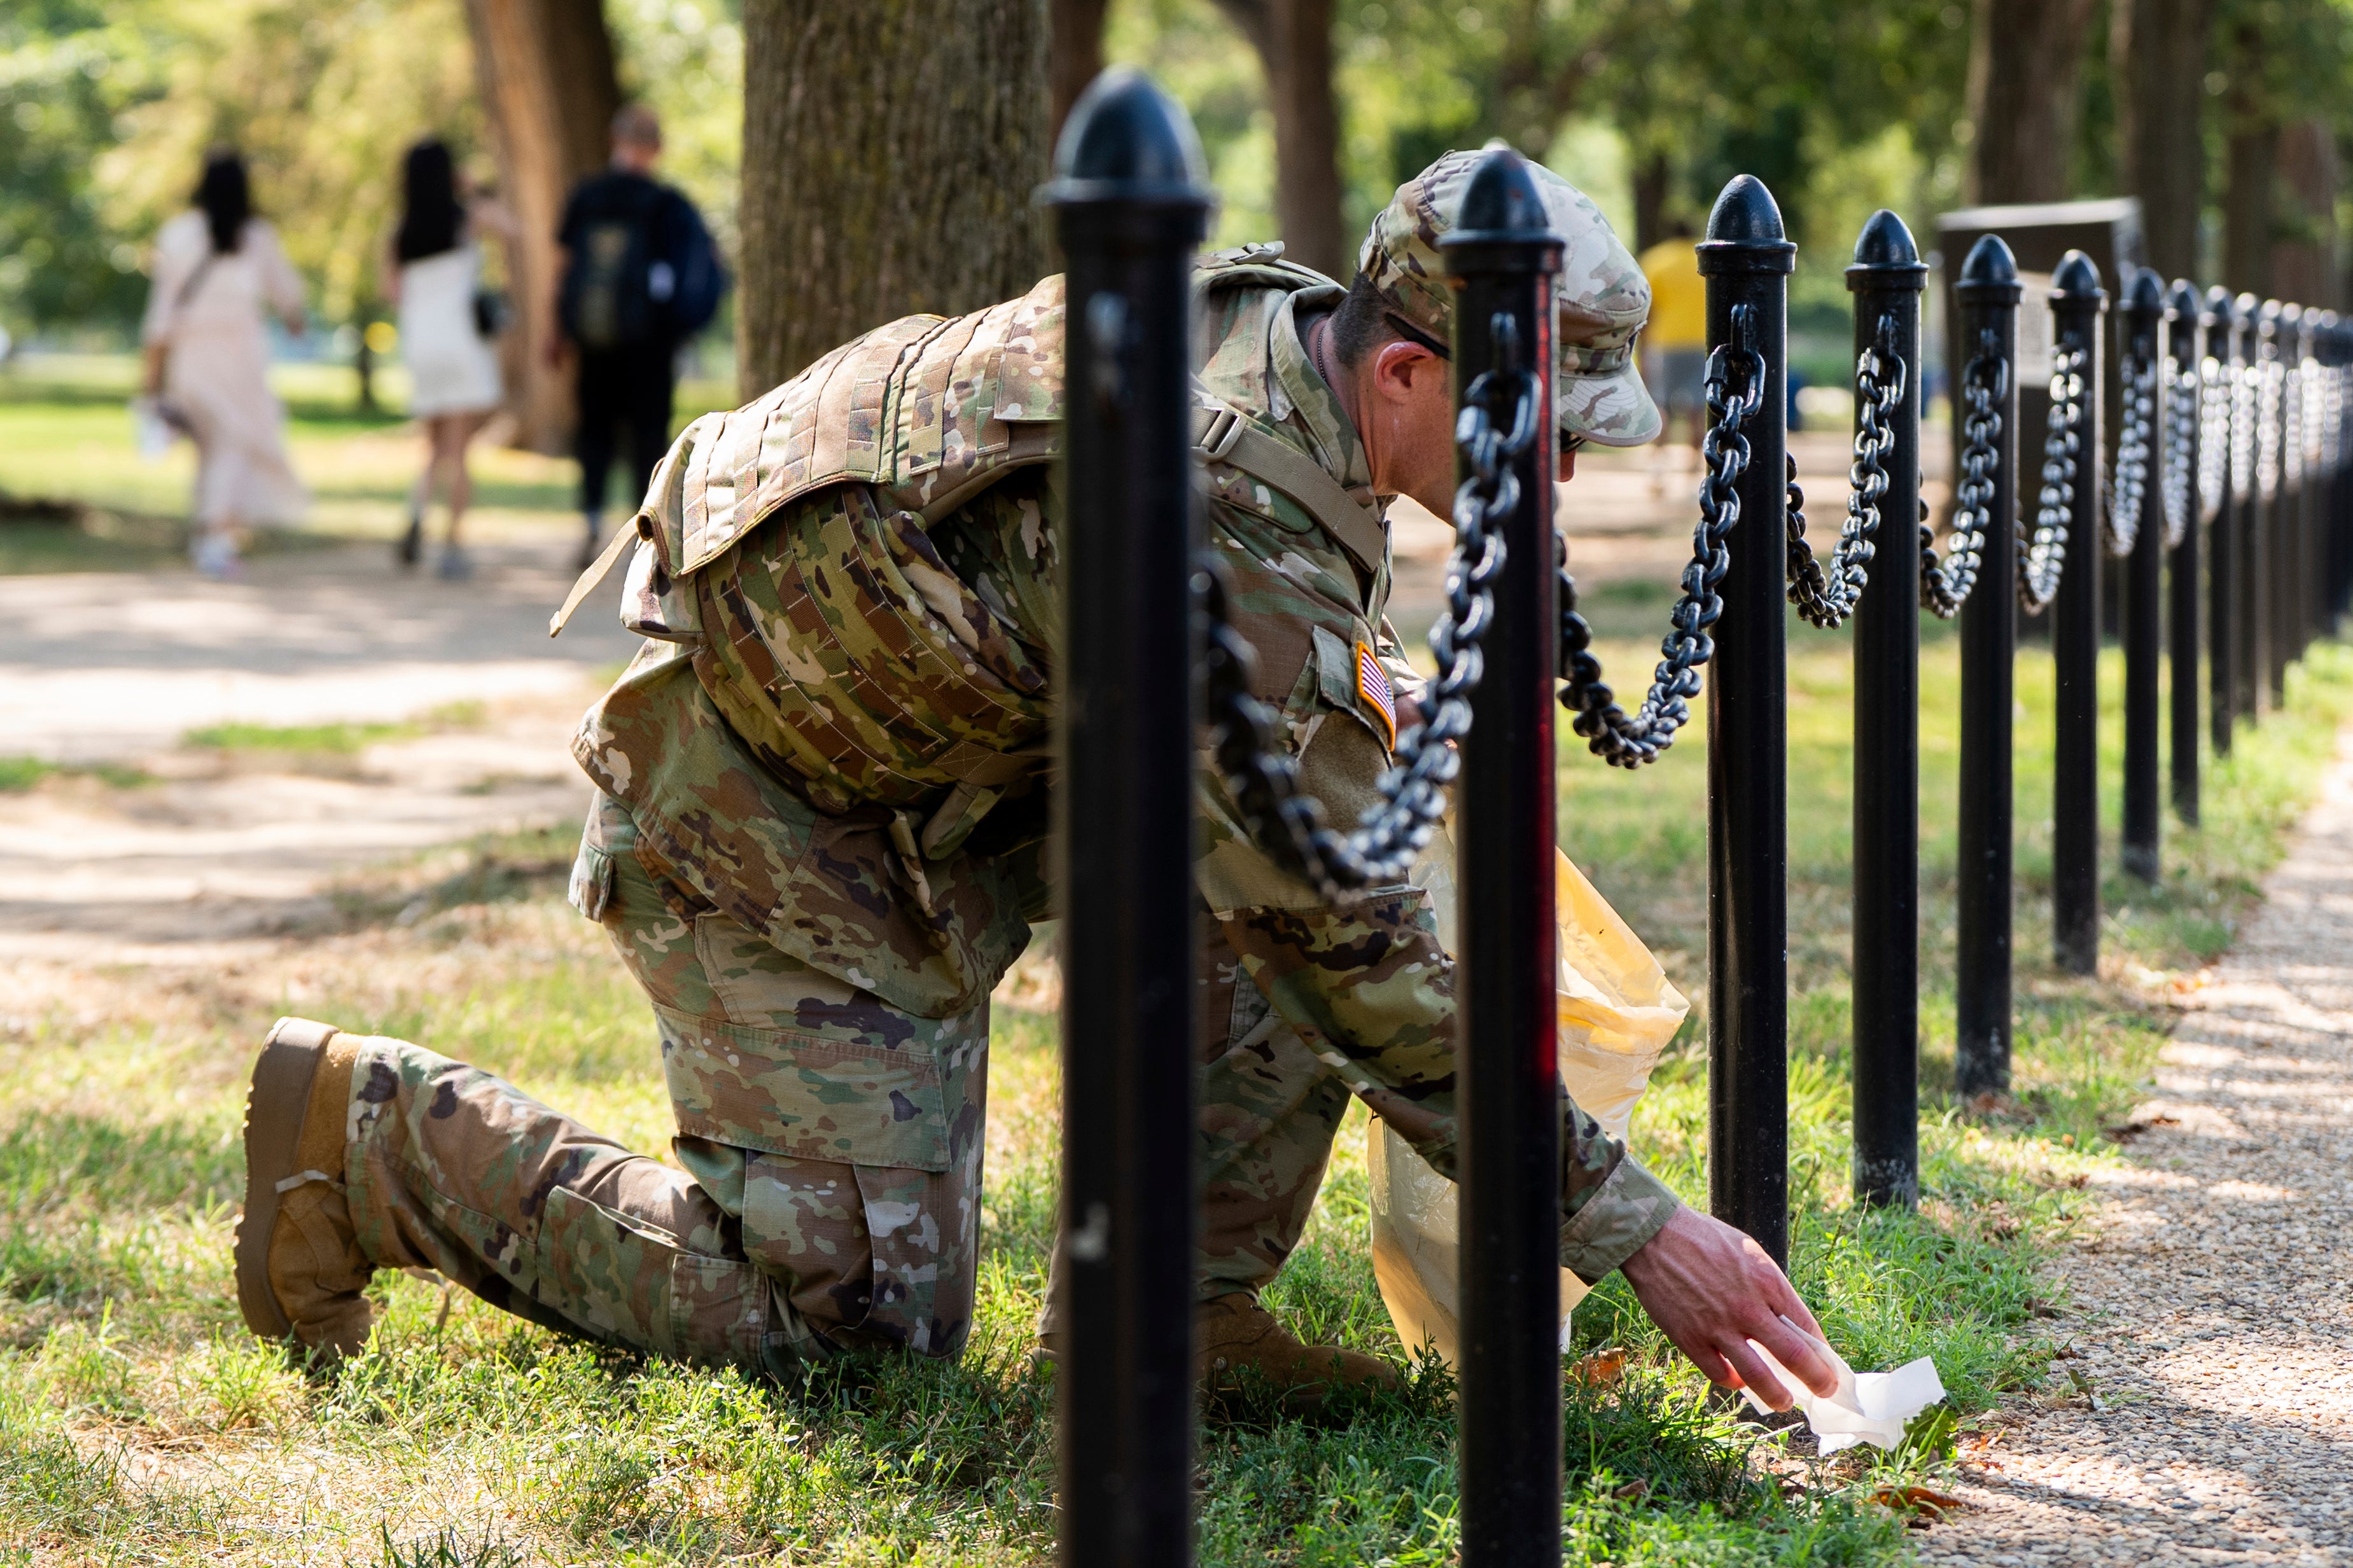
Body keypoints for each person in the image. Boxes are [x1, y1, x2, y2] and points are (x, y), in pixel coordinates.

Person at [234, 151, 1840, 1416]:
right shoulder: (1222, 498)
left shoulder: (1300, 341)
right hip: (779, 809)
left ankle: (1170, 1312)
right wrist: (1640, 1227)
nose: (1566, 470)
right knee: (849, 1323)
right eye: (1552, 425)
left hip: (971, 773)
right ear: (1412, 374)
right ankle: (376, 1137)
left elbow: (1289, 824)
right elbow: (1333, 939)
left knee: (1327, 833)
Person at [552, 103, 723, 570]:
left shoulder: (585, 197)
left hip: (594, 338)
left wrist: (557, 330)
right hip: (651, 344)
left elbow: (562, 270)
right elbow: (698, 272)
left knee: (594, 430)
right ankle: (644, 536)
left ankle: (589, 523)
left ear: (614, 140)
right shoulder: (668, 204)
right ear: (657, 148)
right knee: (648, 434)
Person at [140, 149, 308, 578]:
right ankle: (216, 536)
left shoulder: (179, 234)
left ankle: (208, 533)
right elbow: (289, 297)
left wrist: (152, 376)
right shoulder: (255, 236)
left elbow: (161, 317)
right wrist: (292, 317)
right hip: (239, 357)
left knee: (211, 448)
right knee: (229, 443)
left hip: (192, 357)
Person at [384, 139, 517, 581]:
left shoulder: (399, 232)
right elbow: (512, 228)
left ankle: (415, 513)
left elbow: (393, 293)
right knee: (458, 449)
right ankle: (453, 543)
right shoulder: (466, 218)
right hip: (460, 342)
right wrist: (474, 188)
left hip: (421, 345)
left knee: (432, 444)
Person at [1637, 224, 1707, 495]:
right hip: (1701, 342)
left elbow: (1645, 311)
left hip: (1664, 343)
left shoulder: (1656, 260)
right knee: (1697, 410)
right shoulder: (1702, 259)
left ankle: (1658, 470)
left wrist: (1642, 352)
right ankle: (1694, 474)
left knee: (1660, 407)